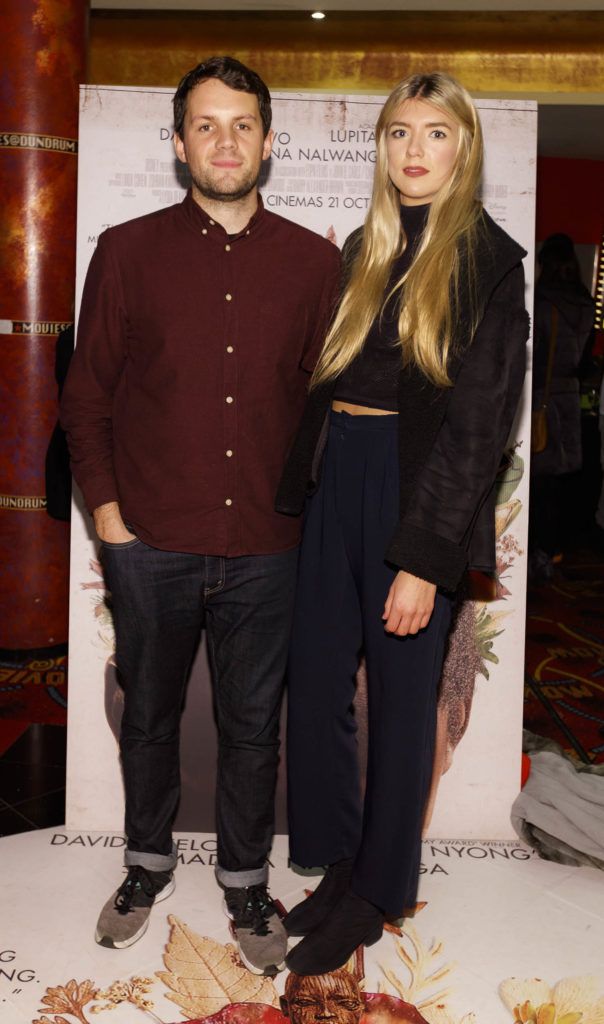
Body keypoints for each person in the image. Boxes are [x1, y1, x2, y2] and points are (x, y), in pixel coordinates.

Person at [61, 55, 340, 974]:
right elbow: (86, 396)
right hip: (150, 542)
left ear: (269, 140)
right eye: (207, 125)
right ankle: (145, 866)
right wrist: (107, 514)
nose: (227, 141)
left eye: (244, 124)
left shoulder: (314, 262)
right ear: (179, 144)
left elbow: (325, 410)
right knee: (148, 716)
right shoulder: (128, 250)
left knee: (254, 726)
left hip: (267, 544)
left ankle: (247, 881)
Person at [275, 70, 529, 975]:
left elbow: (480, 425)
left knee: (398, 700)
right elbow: (324, 385)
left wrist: (423, 559)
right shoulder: (365, 245)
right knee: (316, 683)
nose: (413, 151)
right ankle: (342, 863)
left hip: (412, 492)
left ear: (464, 150)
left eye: (434, 133)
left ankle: (380, 891)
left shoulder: (489, 261)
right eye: (396, 134)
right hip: (337, 477)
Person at [528, 233, 595, 581]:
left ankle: (539, 553)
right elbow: (584, 359)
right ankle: (555, 549)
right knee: (562, 481)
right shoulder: (585, 302)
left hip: (542, 399)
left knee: (540, 483)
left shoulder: (542, 304)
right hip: (570, 397)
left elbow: (533, 357)